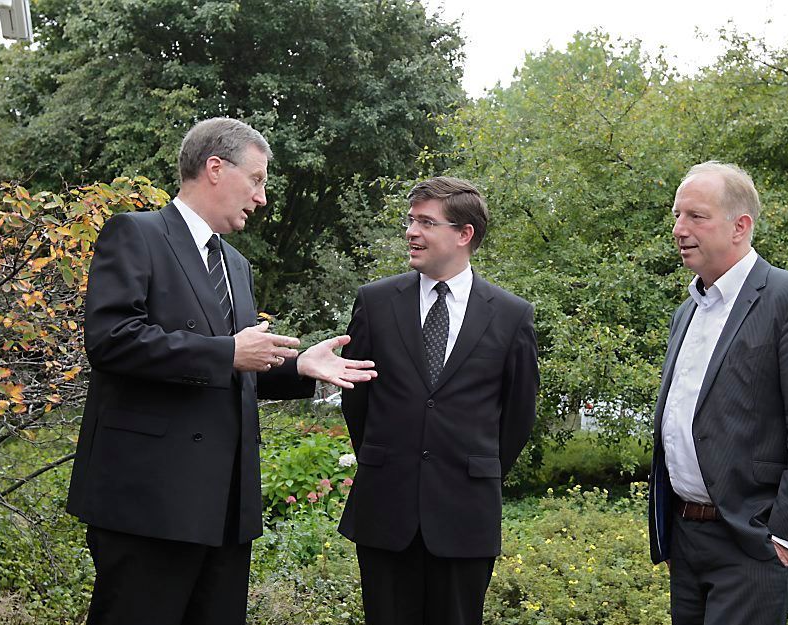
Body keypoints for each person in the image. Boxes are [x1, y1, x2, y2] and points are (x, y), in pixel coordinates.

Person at [66, 117, 376, 625]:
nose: (262, 198)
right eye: (256, 180)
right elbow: (111, 341)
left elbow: (239, 363)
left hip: (226, 508)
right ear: (215, 168)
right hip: (150, 503)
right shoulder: (136, 234)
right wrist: (225, 353)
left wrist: (300, 366)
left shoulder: (236, 265)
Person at [648, 161, 788, 624]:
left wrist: (783, 540)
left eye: (696, 216)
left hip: (752, 541)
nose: (679, 229)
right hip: (686, 536)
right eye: (677, 215)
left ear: (741, 226)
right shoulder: (688, 311)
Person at [337, 176, 539, 625]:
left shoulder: (511, 316)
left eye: (426, 222)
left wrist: (473, 471)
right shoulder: (374, 302)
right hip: (385, 512)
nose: (412, 232)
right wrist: (389, 460)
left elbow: (518, 415)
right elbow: (357, 399)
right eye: (411, 221)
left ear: (464, 234)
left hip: (465, 515)